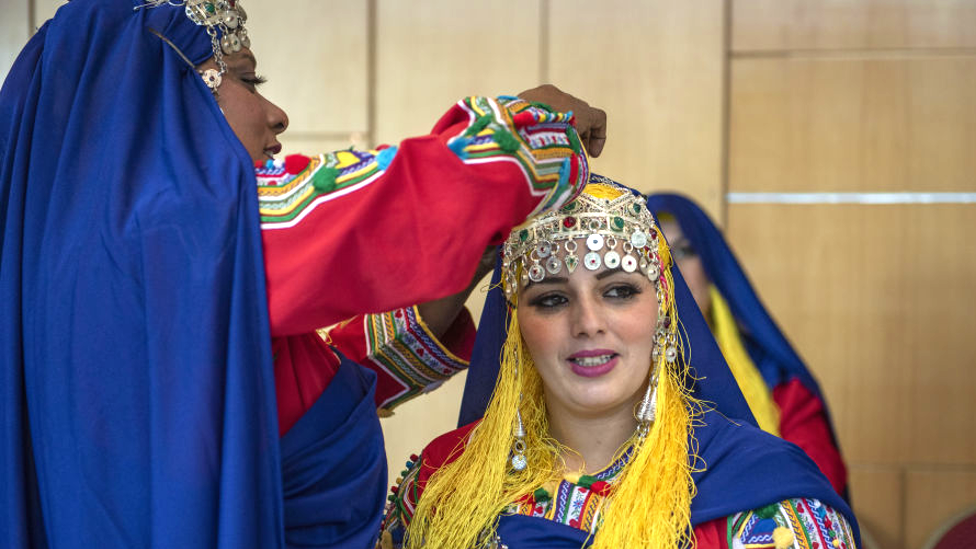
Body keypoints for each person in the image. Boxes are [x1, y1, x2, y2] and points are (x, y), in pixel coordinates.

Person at [0, 0, 608, 546]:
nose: (276, 112)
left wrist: (456, 269)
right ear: (166, 92)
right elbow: (412, 197)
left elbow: (294, 403)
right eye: (245, 78)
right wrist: (535, 129)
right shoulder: (186, 231)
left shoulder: (103, 264)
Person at [381, 177, 859, 548]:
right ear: (515, 329)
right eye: (550, 299)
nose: (588, 322)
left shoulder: (773, 502)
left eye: (619, 291)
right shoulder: (440, 485)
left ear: (664, 311)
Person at [646, 193, 848, 496]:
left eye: (685, 251)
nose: (671, 269)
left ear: (712, 266)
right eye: (657, 256)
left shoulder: (773, 378)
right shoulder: (617, 375)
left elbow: (816, 485)